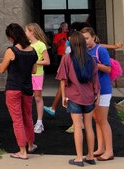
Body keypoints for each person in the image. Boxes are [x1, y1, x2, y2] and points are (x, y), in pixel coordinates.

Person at [56, 31, 100, 167]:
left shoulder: (66, 58)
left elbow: (63, 80)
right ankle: (91, 156)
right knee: (89, 127)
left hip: (74, 97)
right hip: (89, 97)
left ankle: (79, 158)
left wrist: (63, 96)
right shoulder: (91, 59)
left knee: (77, 127)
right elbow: (95, 80)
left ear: (72, 44)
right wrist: (96, 95)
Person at [0, 23, 38, 160]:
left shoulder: (11, 51)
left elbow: (2, 69)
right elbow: (34, 70)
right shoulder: (32, 51)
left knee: (17, 120)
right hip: (27, 88)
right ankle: (31, 145)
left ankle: (22, 151)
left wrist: (0, 64)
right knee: (28, 117)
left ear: (11, 37)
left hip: (13, 88)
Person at [81, 27, 114, 161]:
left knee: (103, 120)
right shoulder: (85, 51)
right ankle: (101, 148)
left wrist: (93, 62)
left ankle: (109, 151)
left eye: (87, 38)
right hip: (92, 90)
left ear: (93, 37)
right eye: (83, 39)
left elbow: (108, 68)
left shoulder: (100, 50)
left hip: (104, 89)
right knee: (97, 120)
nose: (85, 41)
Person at [25, 23, 50, 134]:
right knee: (27, 98)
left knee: (38, 98)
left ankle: (39, 122)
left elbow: (47, 61)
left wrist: (34, 62)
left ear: (32, 32)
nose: (25, 33)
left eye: (26, 31)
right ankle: (28, 122)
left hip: (37, 75)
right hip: (26, 75)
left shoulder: (41, 45)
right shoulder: (26, 44)